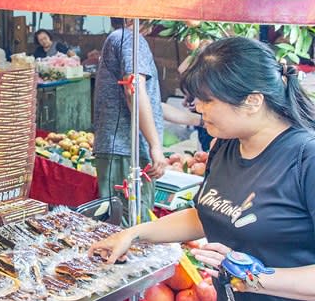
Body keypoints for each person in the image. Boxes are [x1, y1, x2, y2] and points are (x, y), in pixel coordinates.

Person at [90, 37, 315, 301]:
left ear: (253, 101)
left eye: (207, 100)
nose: (197, 107)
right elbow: (205, 215)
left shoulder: (305, 159)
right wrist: (133, 234)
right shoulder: (226, 146)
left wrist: (254, 278)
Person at [92, 18, 167, 225]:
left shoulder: (120, 39)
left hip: (122, 149)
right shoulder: (131, 39)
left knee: (125, 224)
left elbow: (148, 101)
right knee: (130, 227)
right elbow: (133, 91)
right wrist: (155, 146)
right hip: (126, 148)